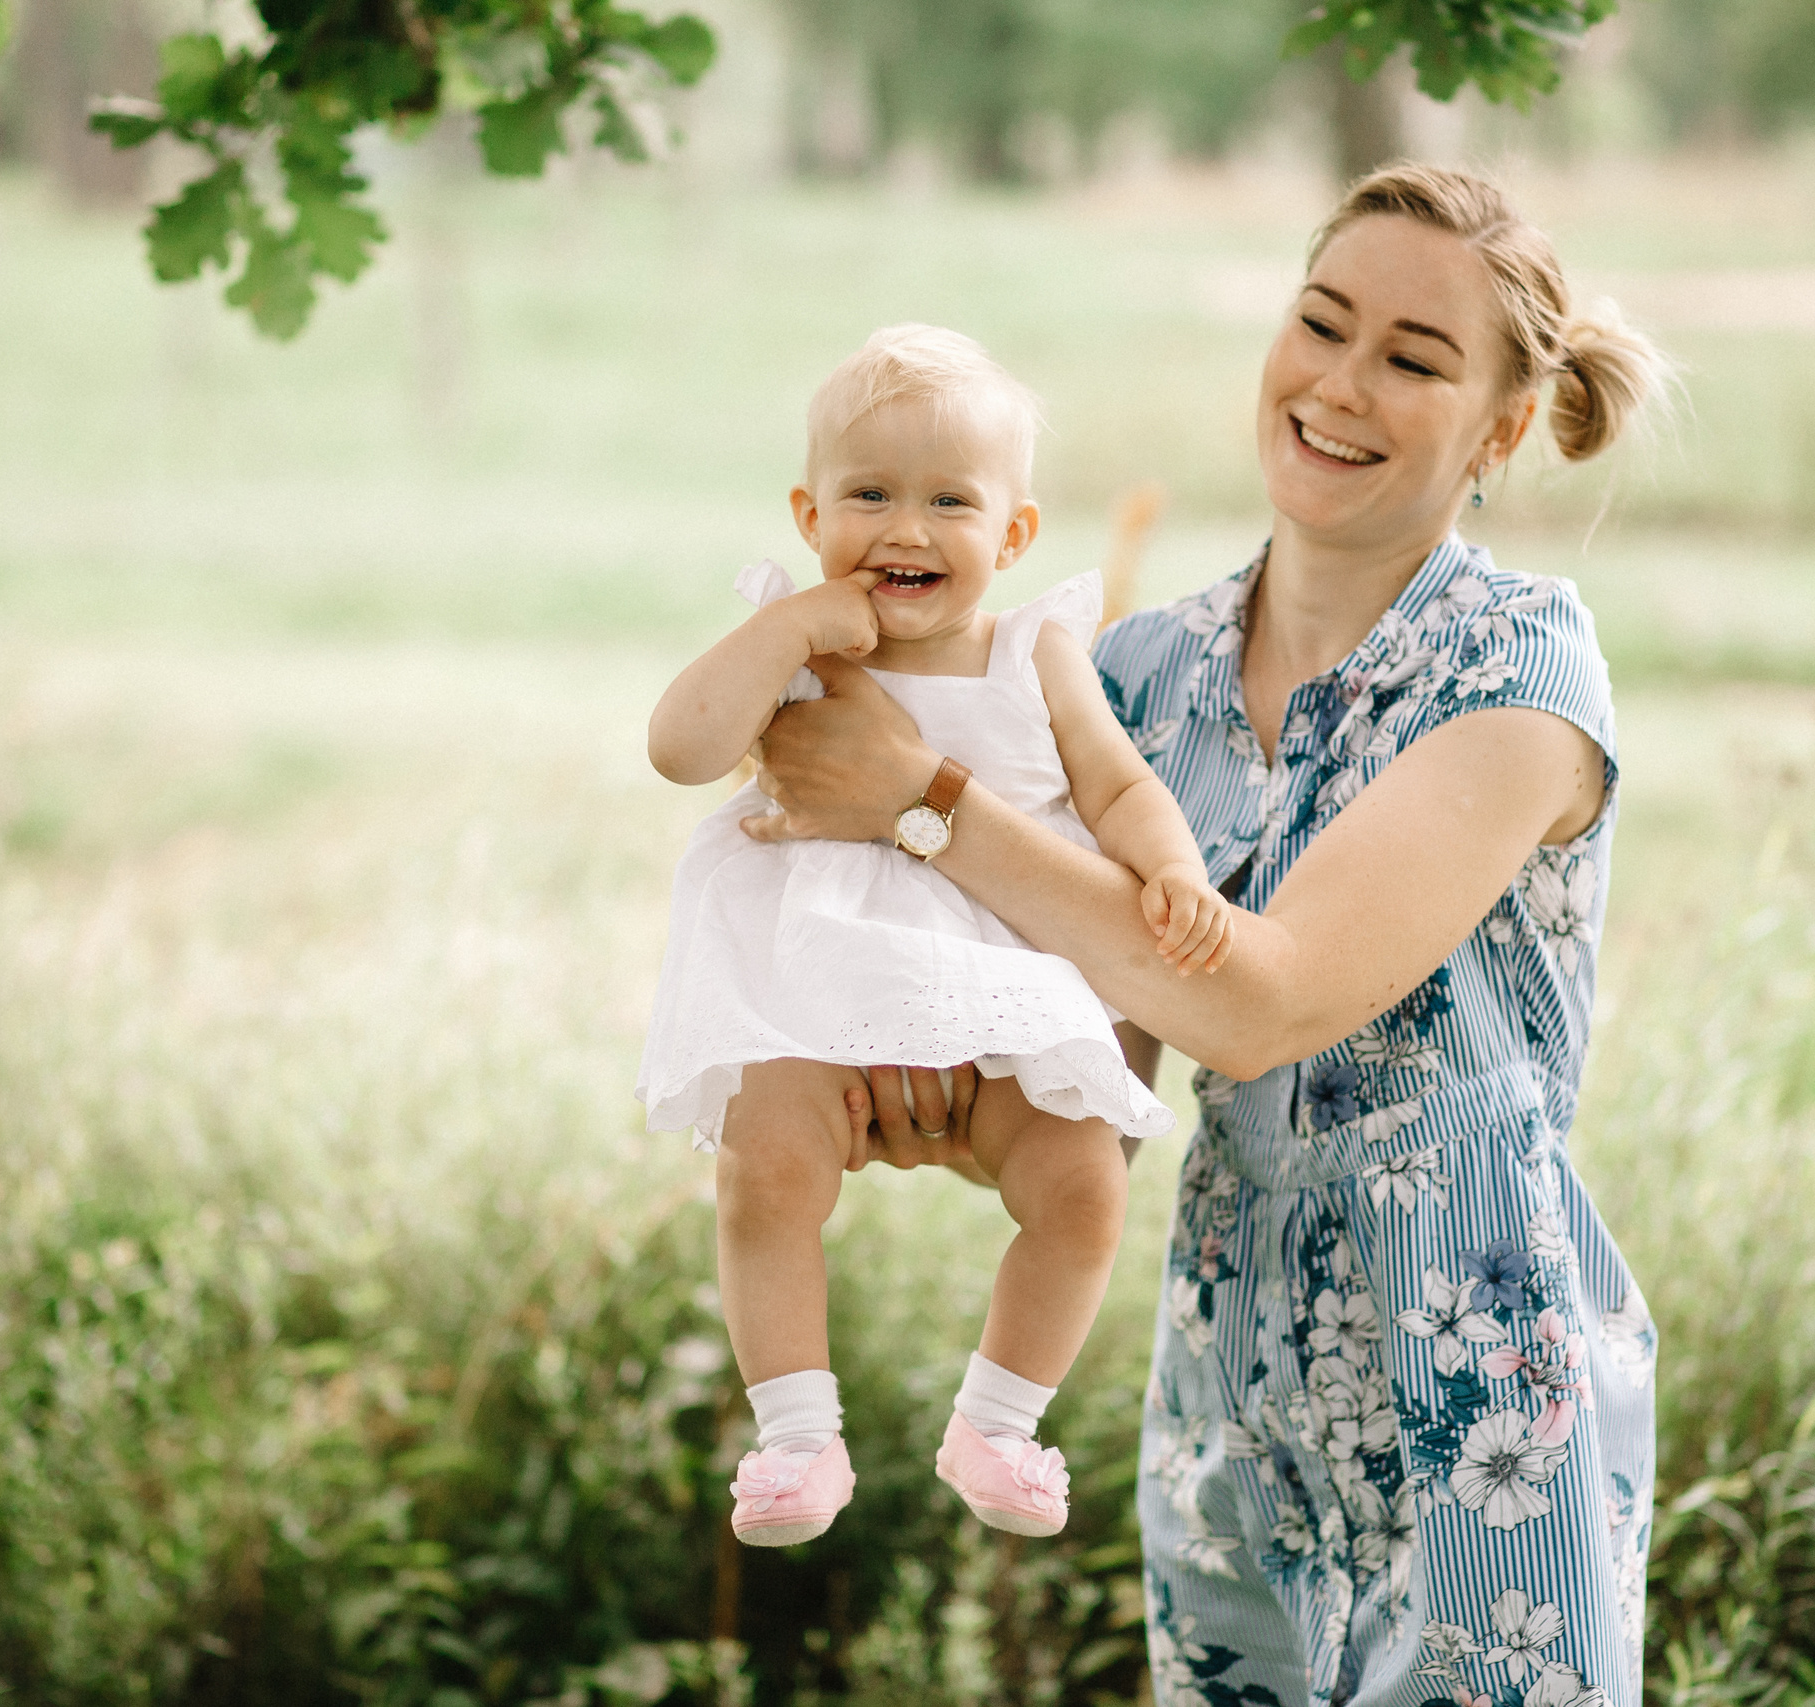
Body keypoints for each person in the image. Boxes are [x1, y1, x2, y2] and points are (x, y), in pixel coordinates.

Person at [742, 167, 1668, 1705]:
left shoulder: (1519, 668)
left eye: (1413, 358)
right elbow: (1101, 1072)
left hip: (1482, 1404)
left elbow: (1260, 1001)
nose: (1340, 383)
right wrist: (919, 1097)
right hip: (1230, 1401)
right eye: (1323, 322)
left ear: (1501, 430)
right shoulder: (1144, 670)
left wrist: (921, 798)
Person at [638, 324, 1236, 1550]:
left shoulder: (1036, 651)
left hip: (999, 988)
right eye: (869, 495)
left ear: (1011, 536)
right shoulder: (787, 646)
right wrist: (785, 633)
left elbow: (1118, 786)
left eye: (949, 502)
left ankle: (998, 1423)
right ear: (809, 515)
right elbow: (680, 750)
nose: (904, 529)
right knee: (763, 1169)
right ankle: (796, 1437)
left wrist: (1173, 867)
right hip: (813, 988)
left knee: (1083, 1183)